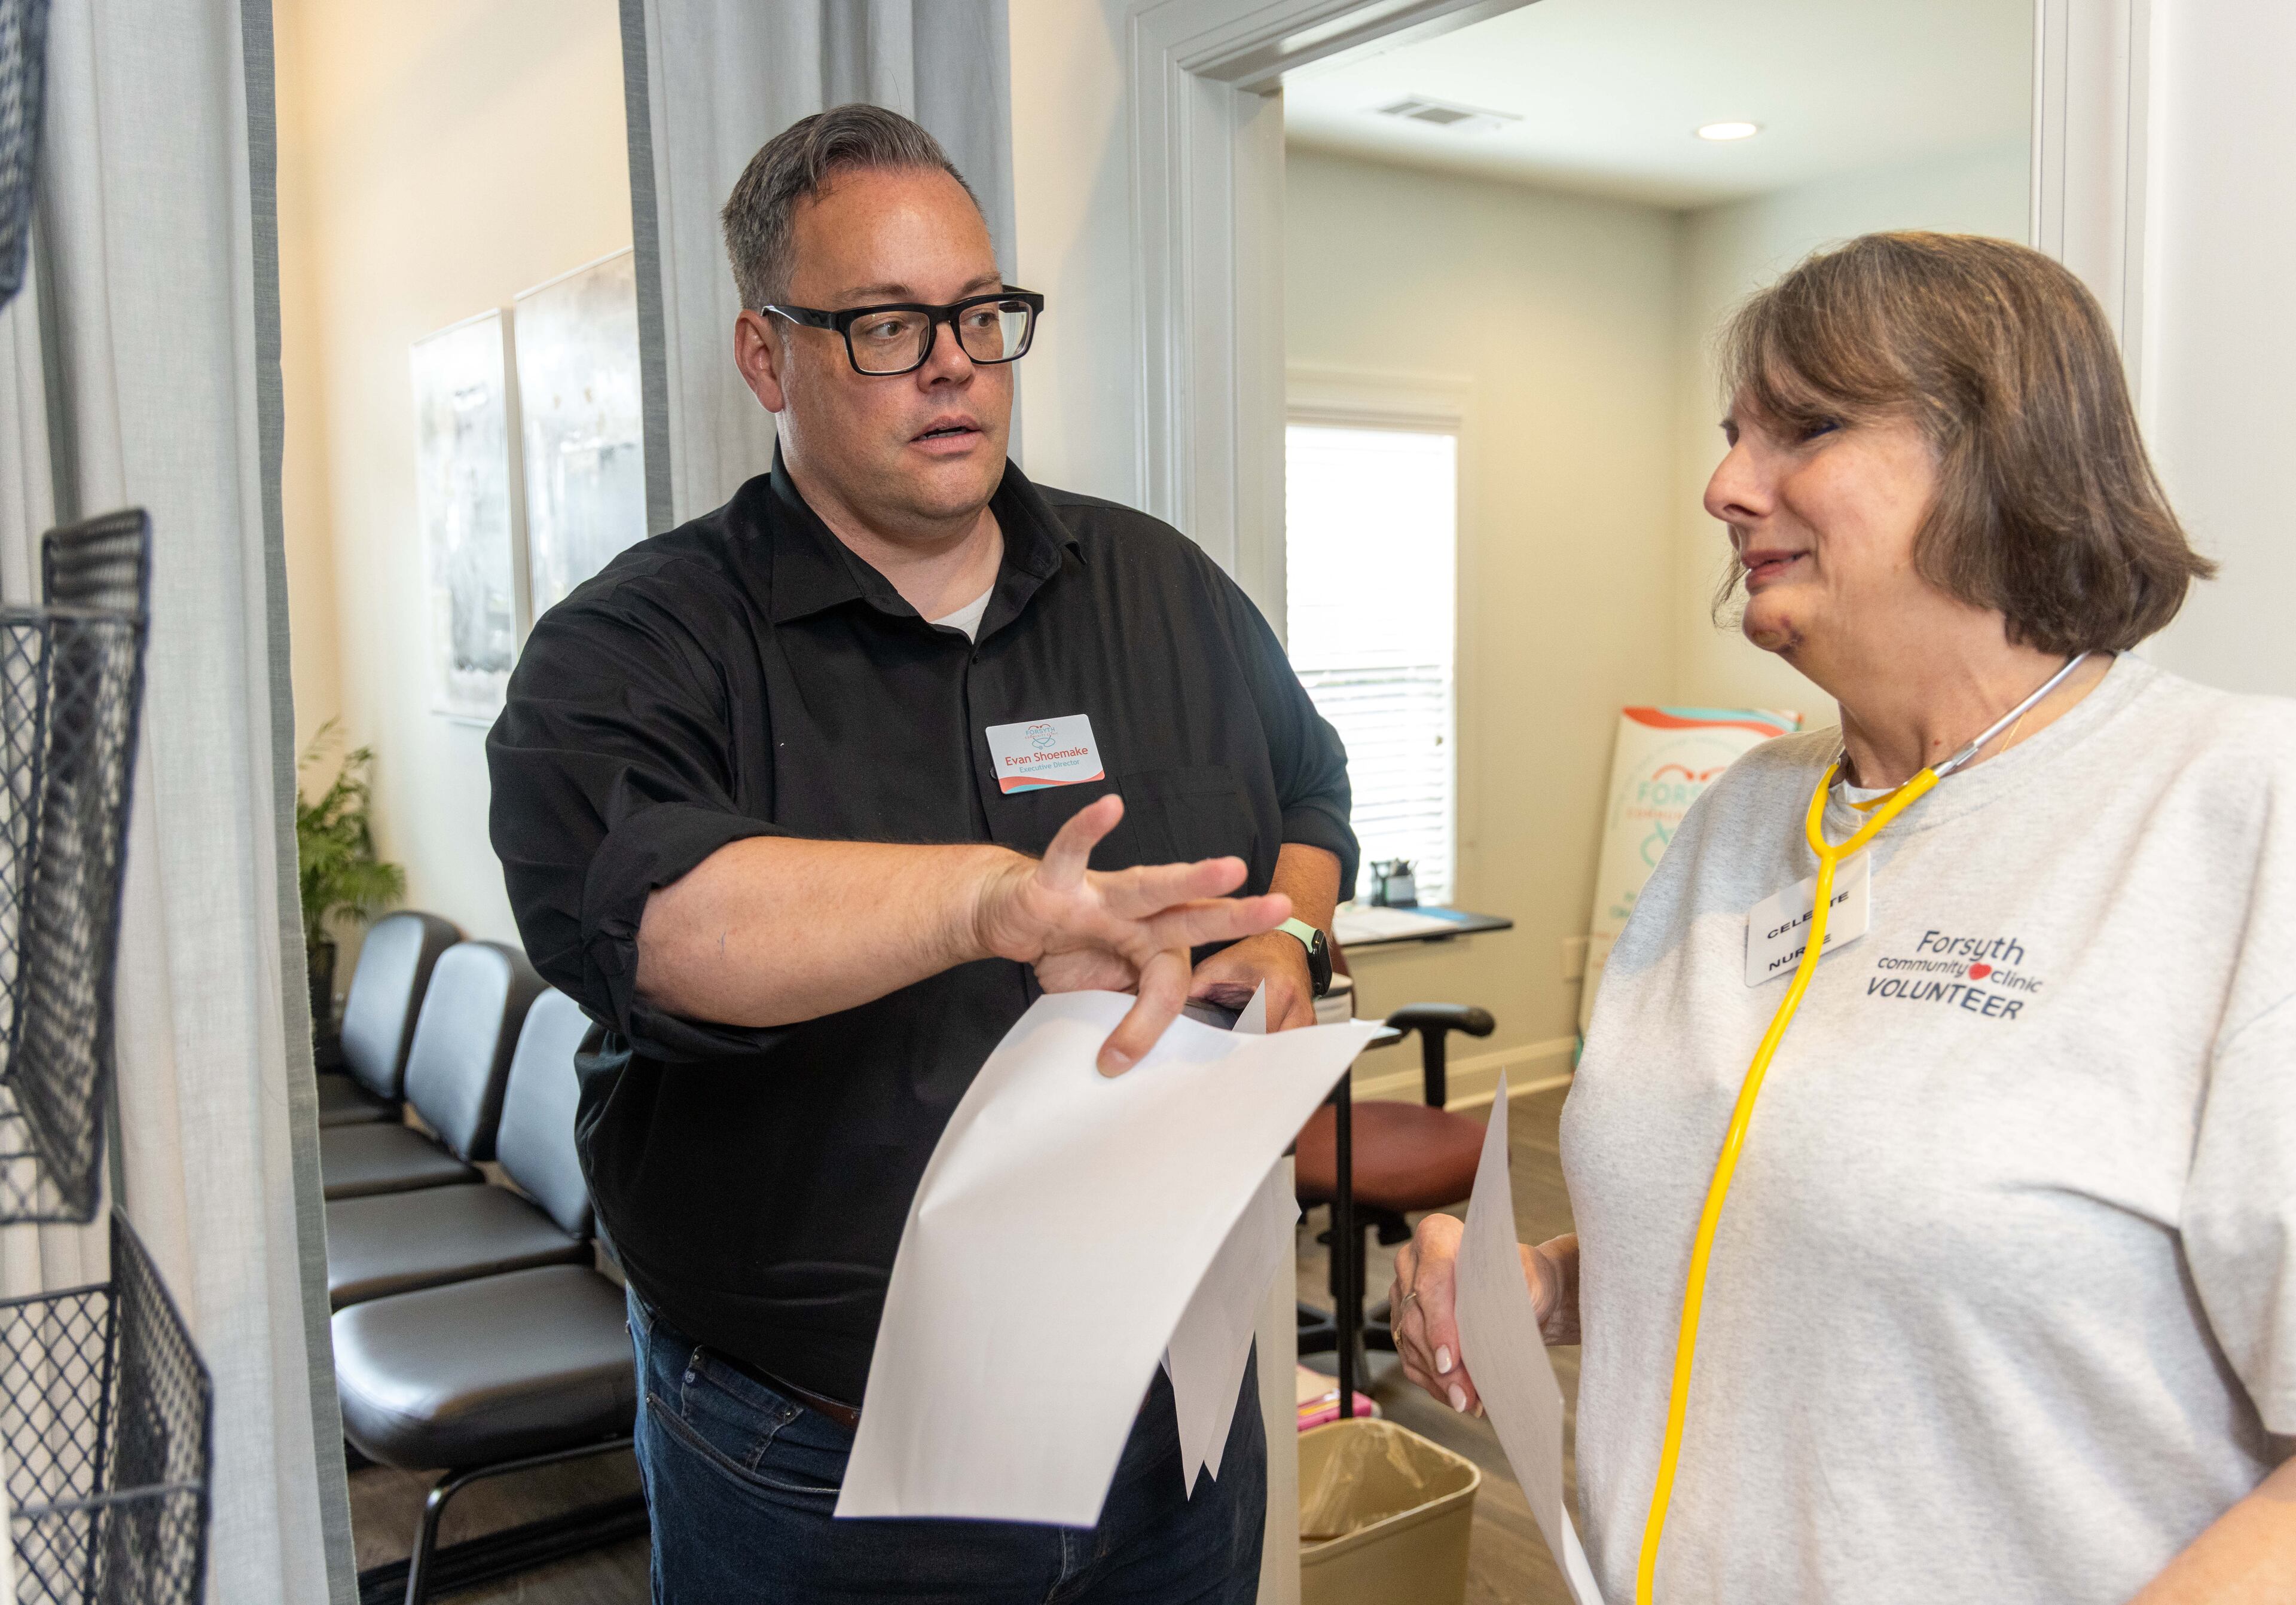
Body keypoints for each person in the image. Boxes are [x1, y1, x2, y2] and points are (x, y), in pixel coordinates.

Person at [487, 105, 1354, 1604]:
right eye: (886, 324)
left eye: (978, 313)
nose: (954, 361)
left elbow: (1312, 797)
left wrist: (1283, 943)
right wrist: (990, 901)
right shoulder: (638, 645)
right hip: (822, 1459)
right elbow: (660, 926)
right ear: (768, 357)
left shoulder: (1166, 586)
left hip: (1169, 1413)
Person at [1388, 233, 2296, 1604]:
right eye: (1732, 433)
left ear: (2002, 453)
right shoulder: (1743, 817)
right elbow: (1815, 1217)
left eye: (1803, 427)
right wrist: (1553, 1285)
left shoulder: (2236, 812)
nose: (1725, 486)